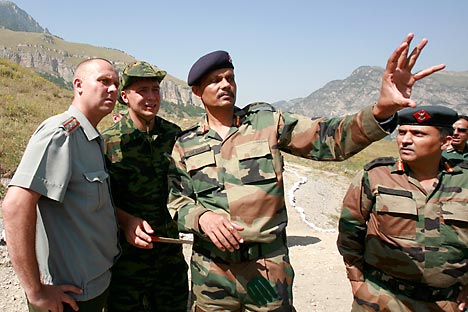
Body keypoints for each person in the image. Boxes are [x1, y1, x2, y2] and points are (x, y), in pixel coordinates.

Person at [167, 33, 445, 311]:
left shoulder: (267, 123)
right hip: (212, 273)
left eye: (230, 77)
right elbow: (176, 200)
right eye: (216, 80)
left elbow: (329, 139)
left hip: (267, 269)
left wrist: (381, 110)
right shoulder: (186, 143)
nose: (226, 84)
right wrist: (202, 217)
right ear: (197, 91)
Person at [1, 58, 121, 312]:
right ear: (78, 84)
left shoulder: (90, 138)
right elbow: (14, 206)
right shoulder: (61, 133)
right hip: (68, 296)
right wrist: (36, 291)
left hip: (93, 285)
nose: (112, 89)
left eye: (116, 84)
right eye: (103, 81)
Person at [337, 105, 468, 311]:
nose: (405, 140)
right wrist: (356, 281)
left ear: (445, 141)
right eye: (402, 132)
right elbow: (349, 231)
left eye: (418, 134)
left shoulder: (465, 181)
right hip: (383, 298)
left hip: (446, 303)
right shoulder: (376, 175)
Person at [102, 61, 189, 312]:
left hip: (169, 257)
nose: (151, 97)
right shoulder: (109, 141)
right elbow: (99, 199)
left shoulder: (174, 135)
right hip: (126, 260)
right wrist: (125, 220)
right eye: (142, 90)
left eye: (155, 89)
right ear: (125, 96)